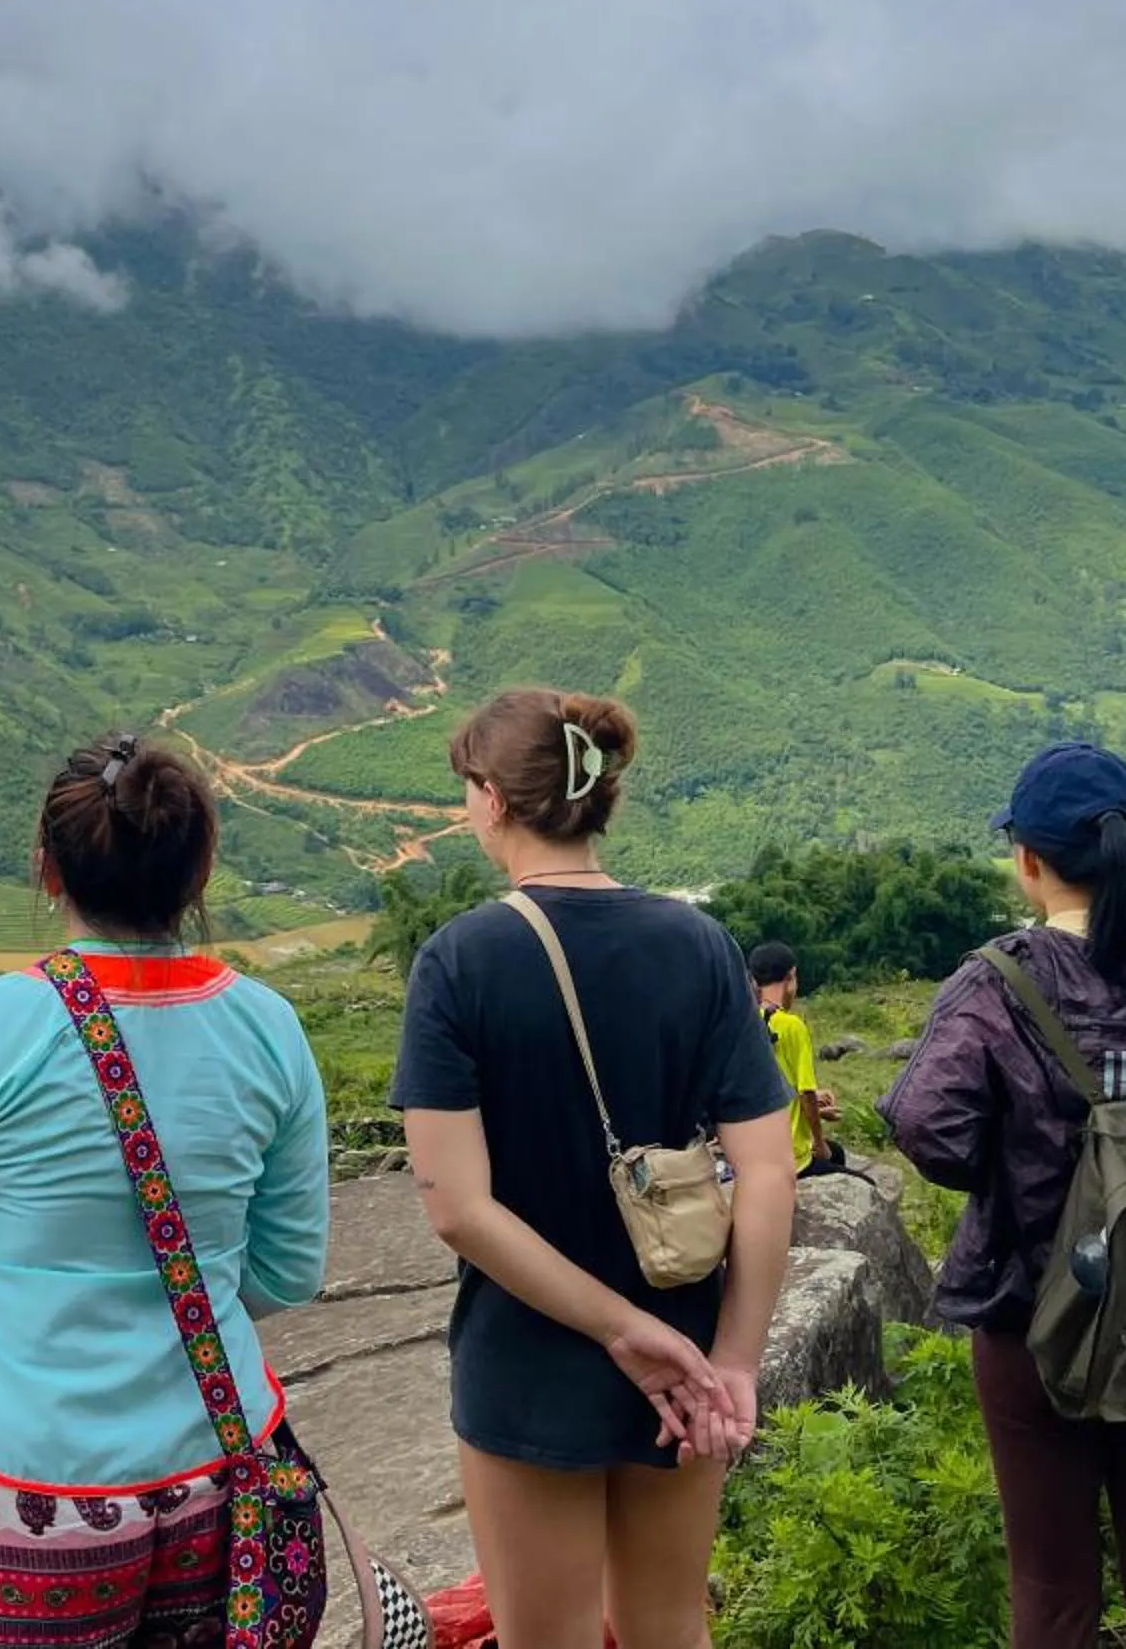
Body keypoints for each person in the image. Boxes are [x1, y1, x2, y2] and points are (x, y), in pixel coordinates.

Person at [0, 735, 331, 1649]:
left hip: (17, 1482)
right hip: (218, 1474)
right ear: (197, 873)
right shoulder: (268, 1028)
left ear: (49, 872)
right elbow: (288, 1270)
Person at [393, 689, 797, 1649]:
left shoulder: (460, 960)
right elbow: (769, 1172)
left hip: (528, 1361)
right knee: (668, 1631)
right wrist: (732, 1361)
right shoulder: (699, 945)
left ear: (492, 800)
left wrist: (619, 1333)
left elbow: (457, 1207)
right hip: (689, 1342)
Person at [880, 742, 1126, 1649]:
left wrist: (1026, 1177)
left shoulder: (999, 984)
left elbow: (923, 1122)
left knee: (1053, 1597)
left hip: (1030, 1320)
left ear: (1028, 860)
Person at [747, 941, 843, 1176]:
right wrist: (819, 1144)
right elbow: (805, 1094)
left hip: (751, 1149)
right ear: (790, 979)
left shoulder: (744, 1022)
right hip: (790, 1158)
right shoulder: (792, 1026)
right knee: (835, 1155)